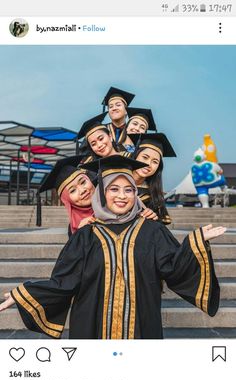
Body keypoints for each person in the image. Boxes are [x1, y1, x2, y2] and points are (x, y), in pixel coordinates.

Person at [0, 156, 225, 339]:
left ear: (136, 194)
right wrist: (27, 293)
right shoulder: (85, 235)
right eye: (113, 189)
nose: (121, 196)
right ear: (103, 193)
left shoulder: (153, 230)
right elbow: (64, 282)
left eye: (128, 190)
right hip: (93, 327)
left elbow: (175, 268)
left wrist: (194, 243)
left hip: (141, 326)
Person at [39, 156, 96, 234]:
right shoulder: (74, 229)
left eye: (83, 182)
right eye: (73, 191)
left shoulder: (113, 208)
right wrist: (80, 234)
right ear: (67, 200)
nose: (82, 191)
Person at [131, 133, 176, 225]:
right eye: (145, 157)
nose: (148, 164)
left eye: (155, 162)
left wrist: (153, 217)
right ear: (135, 156)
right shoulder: (116, 179)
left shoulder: (154, 196)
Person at [102, 86, 135, 150]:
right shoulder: (101, 130)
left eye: (118, 105)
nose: (114, 108)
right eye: (110, 107)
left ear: (126, 111)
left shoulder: (133, 131)